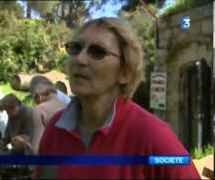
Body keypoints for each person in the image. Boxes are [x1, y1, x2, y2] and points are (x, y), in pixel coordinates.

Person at [36, 17, 200, 179]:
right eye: (75, 48)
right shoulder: (55, 130)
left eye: (97, 52)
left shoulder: (153, 137)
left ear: (124, 73)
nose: (80, 59)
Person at [30, 82, 67, 154]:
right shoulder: (68, 106)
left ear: (39, 97)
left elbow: (36, 147)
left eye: (34, 99)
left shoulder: (40, 109)